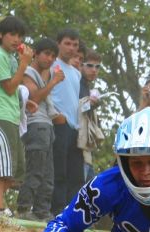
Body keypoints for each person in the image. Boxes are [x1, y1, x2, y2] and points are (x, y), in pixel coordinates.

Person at [0, 16, 33, 215]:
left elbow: (14, 88)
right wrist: (25, 64)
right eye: (12, 34)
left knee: (14, 172)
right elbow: (10, 87)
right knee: (1, 167)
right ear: (1, 34)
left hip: (11, 117)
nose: (16, 39)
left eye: (20, 36)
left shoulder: (10, 57)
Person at [17, 38, 65, 221]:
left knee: (48, 174)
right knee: (35, 170)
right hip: (35, 125)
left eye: (53, 56)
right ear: (36, 53)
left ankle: (41, 211)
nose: (50, 59)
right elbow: (34, 99)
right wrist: (53, 83)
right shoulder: (29, 72)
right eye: (46, 54)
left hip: (47, 126)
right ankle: (23, 208)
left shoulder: (48, 74)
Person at [50, 28, 85, 216]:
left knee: (76, 175)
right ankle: (57, 210)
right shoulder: (51, 65)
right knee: (59, 171)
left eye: (75, 45)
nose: (71, 48)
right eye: (67, 43)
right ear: (58, 44)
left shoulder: (76, 73)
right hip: (58, 124)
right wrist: (55, 114)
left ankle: (73, 214)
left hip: (75, 127)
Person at [78, 49, 104, 182]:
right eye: (89, 65)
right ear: (80, 64)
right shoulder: (76, 83)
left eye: (97, 66)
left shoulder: (88, 88)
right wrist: (89, 104)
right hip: (75, 147)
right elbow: (75, 110)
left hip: (85, 150)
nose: (94, 70)